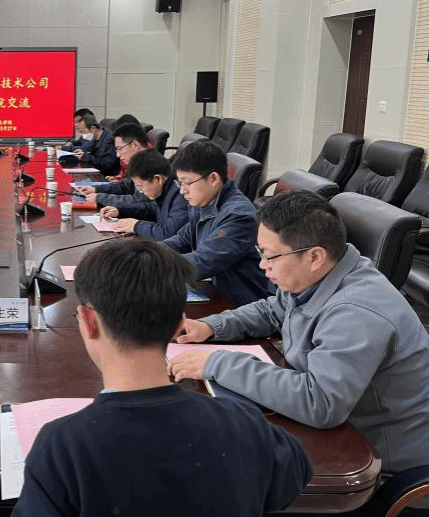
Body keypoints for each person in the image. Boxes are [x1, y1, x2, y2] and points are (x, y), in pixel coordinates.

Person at [12, 238, 312, 516]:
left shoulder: (61, 447)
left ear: (89, 322)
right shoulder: (244, 424)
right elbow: (294, 473)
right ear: (179, 325)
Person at [169, 190, 429, 474]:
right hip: (342, 424)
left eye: (269, 256)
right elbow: (272, 310)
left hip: (381, 459)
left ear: (314, 256)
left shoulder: (357, 311)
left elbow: (321, 402)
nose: (262, 265)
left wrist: (218, 363)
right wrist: (210, 326)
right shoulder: (320, 274)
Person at [161, 140, 270, 307]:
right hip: (215, 291)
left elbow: (203, 261)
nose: (182, 191)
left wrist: (152, 266)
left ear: (213, 178)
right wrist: (143, 253)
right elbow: (181, 239)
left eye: (187, 183)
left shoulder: (238, 216)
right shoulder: (203, 201)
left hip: (240, 304)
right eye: (179, 183)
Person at [75, 123, 154, 217]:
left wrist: (101, 197)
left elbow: (138, 201)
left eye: (119, 149)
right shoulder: (139, 162)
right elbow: (125, 186)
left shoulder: (149, 165)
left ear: (135, 145)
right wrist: (96, 189)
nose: (118, 155)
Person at [112, 149, 189, 240]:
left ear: (158, 179)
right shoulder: (165, 188)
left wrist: (135, 226)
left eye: (140, 187)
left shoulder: (181, 195)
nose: (141, 191)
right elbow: (151, 209)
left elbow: (167, 233)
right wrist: (120, 211)